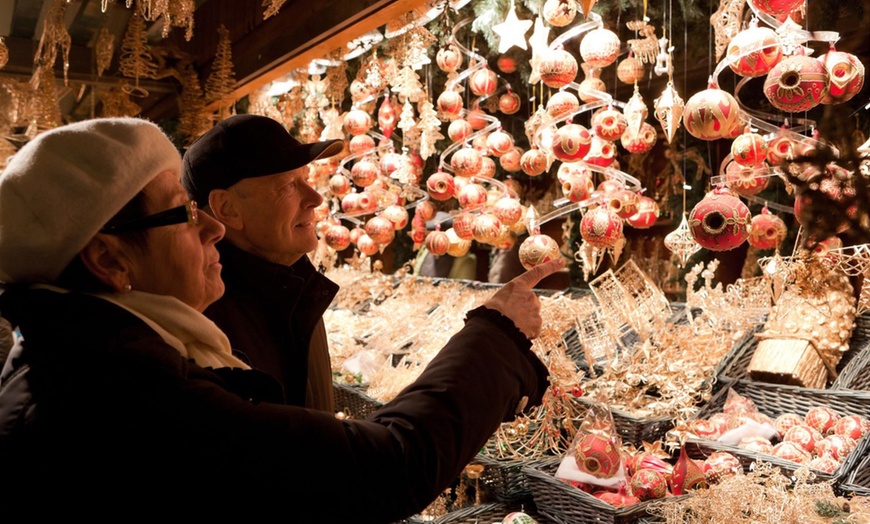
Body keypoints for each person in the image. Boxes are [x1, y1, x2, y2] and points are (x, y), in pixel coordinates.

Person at [0, 118, 560, 520]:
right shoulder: (124, 397)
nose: (210, 231)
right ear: (108, 259)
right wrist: (496, 332)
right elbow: (383, 471)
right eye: (182, 212)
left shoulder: (101, 356)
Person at [182, 114, 343, 412]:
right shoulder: (201, 319)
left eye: (305, 179)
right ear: (228, 209)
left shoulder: (297, 283)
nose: (316, 198)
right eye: (287, 185)